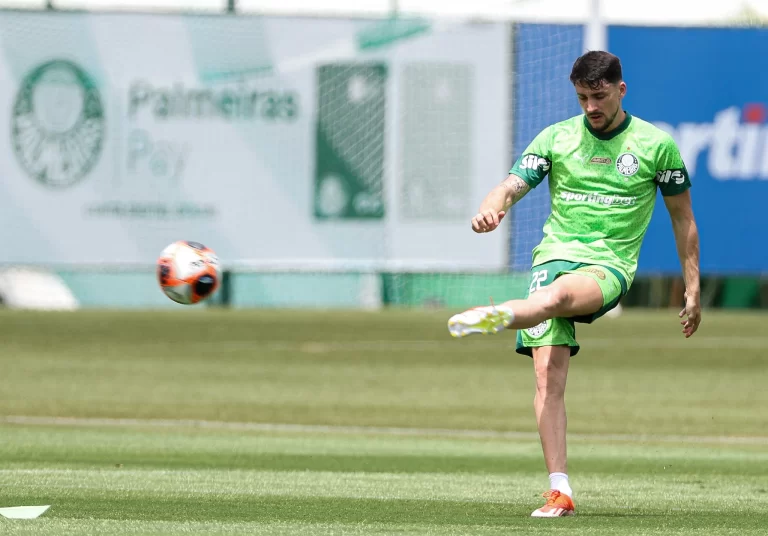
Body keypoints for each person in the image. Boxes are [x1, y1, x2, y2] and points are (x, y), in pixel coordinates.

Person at [447, 50, 701, 517]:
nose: (590, 107)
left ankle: (500, 314)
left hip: (607, 266)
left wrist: (692, 289)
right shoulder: (557, 138)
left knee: (559, 297)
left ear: (621, 90)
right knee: (548, 375)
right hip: (552, 258)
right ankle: (559, 490)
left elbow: (682, 217)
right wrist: (491, 208)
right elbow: (508, 185)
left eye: (599, 96)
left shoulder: (655, 146)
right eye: (582, 97)